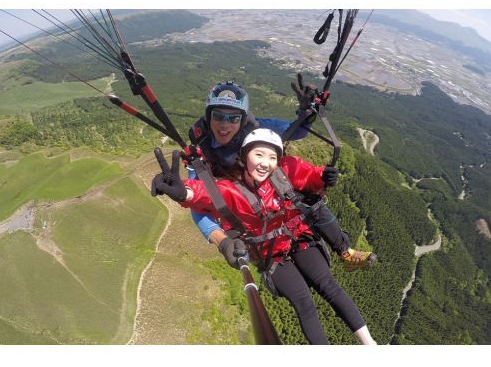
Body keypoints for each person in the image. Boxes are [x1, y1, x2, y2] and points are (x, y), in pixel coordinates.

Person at [152, 129, 376, 345]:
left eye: (271, 157)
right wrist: (183, 192)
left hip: (297, 240)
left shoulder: (282, 174)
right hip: (272, 258)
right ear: (244, 157)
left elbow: (307, 174)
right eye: (258, 154)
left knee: (329, 285)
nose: (265, 163)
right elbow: (205, 194)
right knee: (304, 302)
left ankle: (370, 344)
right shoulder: (233, 190)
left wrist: (324, 176)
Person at [185, 79, 376, 271]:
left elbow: (296, 131)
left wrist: (306, 114)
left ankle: (345, 251)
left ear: (242, 119)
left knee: (312, 203)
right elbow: (198, 204)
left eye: (233, 118)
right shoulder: (202, 148)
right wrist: (223, 241)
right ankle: (274, 262)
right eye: (218, 116)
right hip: (239, 203)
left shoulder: (255, 128)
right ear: (208, 117)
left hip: (264, 189)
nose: (225, 124)